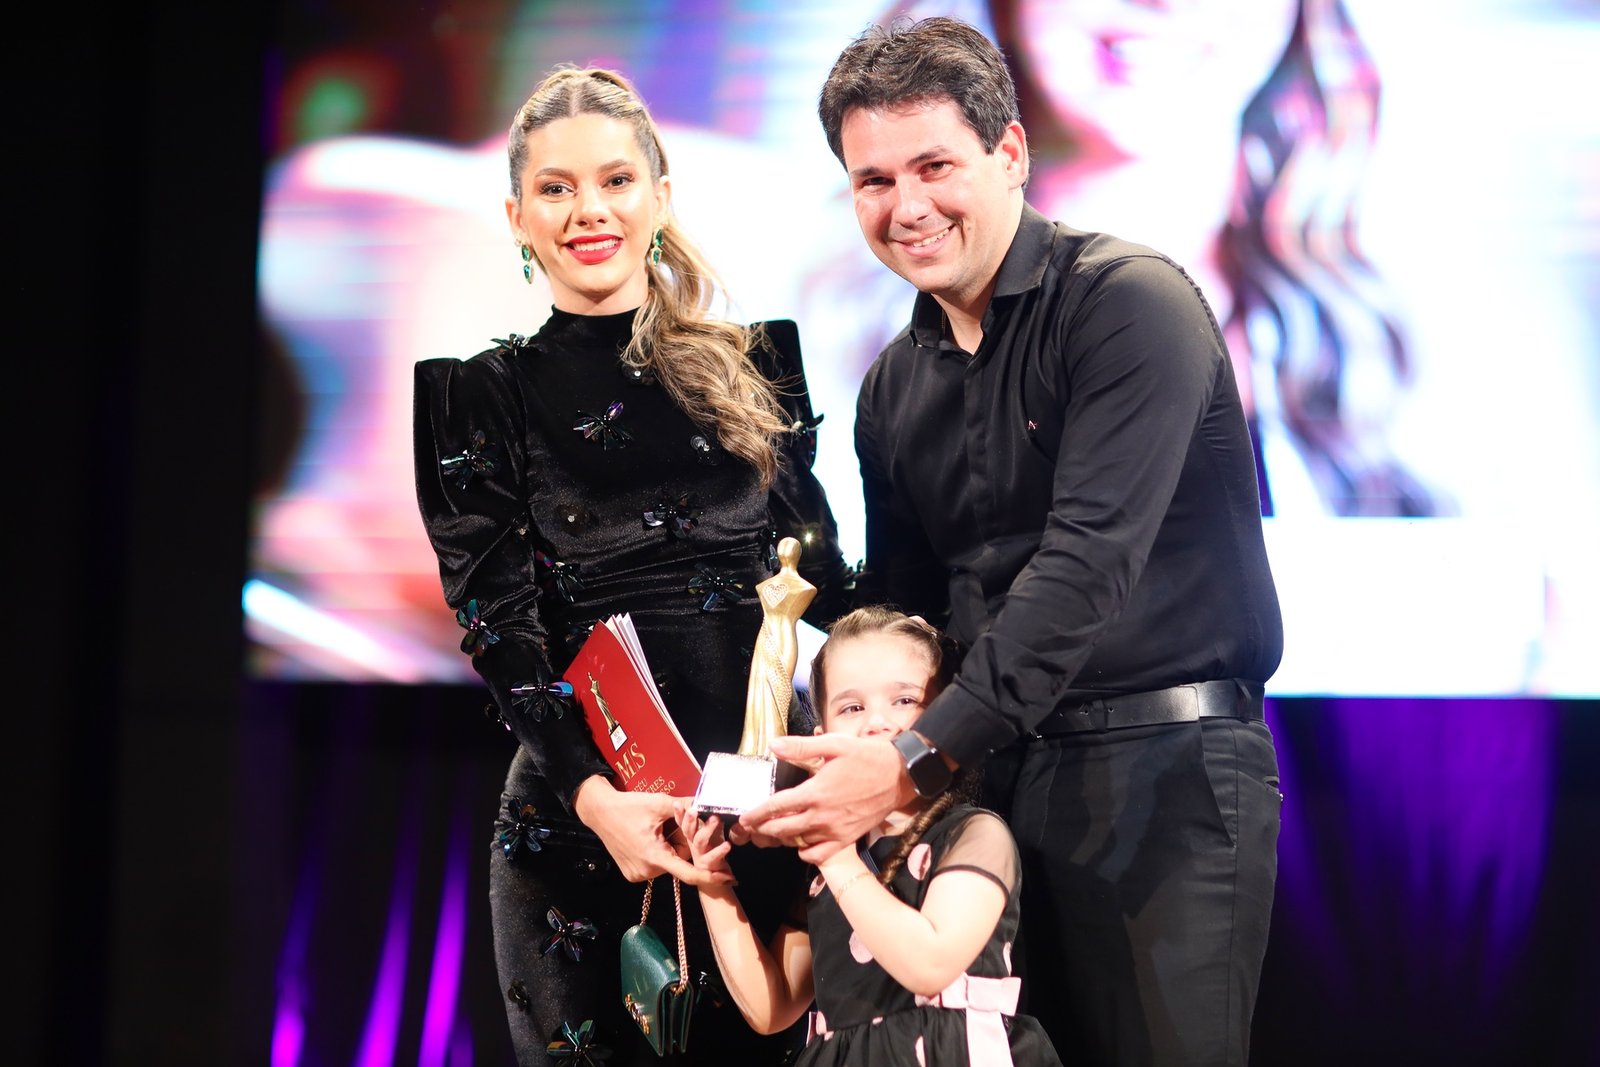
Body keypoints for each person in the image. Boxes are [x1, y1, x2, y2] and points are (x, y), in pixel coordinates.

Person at [741, 16, 1285, 1066]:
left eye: (934, 166)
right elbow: (906, 621)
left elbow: (1086, 566)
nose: (907, 206)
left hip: (1159, 775)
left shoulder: (1128, 304)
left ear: (1010, 153)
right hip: (984, 787)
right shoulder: (891, 387)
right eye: (872, 179)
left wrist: (910, 760)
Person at [412, 66, 852, 1065]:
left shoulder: (752, 365)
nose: (589, 210)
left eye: (614, 180)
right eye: (556, 188)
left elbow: (824, 575)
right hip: (587, 829)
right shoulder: (481, 397)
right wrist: (598, 803)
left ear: (660, 195)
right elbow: (498, 627)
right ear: (517, 217)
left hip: (764, 811)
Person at [677, 606, 1063, 1067]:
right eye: (853, 707)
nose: (877, 722)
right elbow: (771, 1008)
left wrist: (834, 855)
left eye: (904, 700)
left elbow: (931, 965)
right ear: (820, 737)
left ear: (946, 719)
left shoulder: (973, 834)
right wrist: (711, 881)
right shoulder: (830, 869)